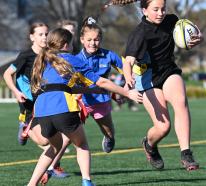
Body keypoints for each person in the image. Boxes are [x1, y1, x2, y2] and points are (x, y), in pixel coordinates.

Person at [28, 28, 142, 186]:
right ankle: (87, 181)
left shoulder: (42, 59)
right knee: (81, 144)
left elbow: (59, 86)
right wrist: (127, 93)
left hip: (42, 110)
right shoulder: (70, 58)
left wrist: (91, 90)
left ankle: (31, 184)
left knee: (54, 147)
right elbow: (101, 81)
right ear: (66, 44)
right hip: (62, 106)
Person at [123, 0, 203, 171]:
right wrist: (129, 78)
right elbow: (128, 60)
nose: (160, 13)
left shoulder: (172, 20)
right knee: (163, 127)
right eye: (155, 9)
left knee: (181, 102)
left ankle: (186, 153)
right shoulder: (140, 33)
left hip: (168, 71)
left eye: (163, 9)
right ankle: (149, 144)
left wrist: (198, 38)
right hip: (148, 79)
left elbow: (190, 33)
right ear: (144, 10)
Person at [3, 22, 69, 181]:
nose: (44, 37)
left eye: (46, 34)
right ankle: (24, 127)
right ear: (32, 37)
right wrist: (16, 92)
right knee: (44, 140)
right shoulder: (25, 56)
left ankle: (51, 168)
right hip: (28, 107)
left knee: (54, 138)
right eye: (40, 34)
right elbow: (7, 74)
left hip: (44, 105)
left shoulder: (50, 55)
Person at [76, 17, 125, 153]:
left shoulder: (109, 55)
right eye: (89, 40)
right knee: (69, 136)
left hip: (101, 100)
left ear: (101, 39)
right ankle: (53, 166)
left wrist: (123, 90)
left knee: (109, 132)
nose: (93, 43)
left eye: (96, 39)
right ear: (82, 40)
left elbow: (128, 72)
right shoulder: (76, 59)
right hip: (80, 102)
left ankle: (109, 137)